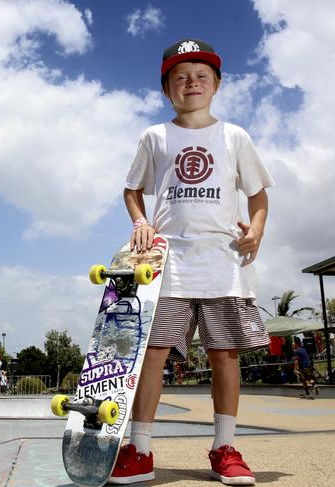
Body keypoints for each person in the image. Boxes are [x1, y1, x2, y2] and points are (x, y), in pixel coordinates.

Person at [110, 39, 273, 486]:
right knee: (153, 354)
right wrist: (141, 221)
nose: (192, 83)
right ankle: (139, 450)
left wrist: (256, 229)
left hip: (224, 262)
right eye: (180, 77)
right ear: (167, 89)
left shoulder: (235, 137)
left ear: (217, 84)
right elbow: (132, 188)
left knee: (224, 354)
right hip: (169, 264)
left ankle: (225, 448)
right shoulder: (155, 137)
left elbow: (258, 194)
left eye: (202, 75)